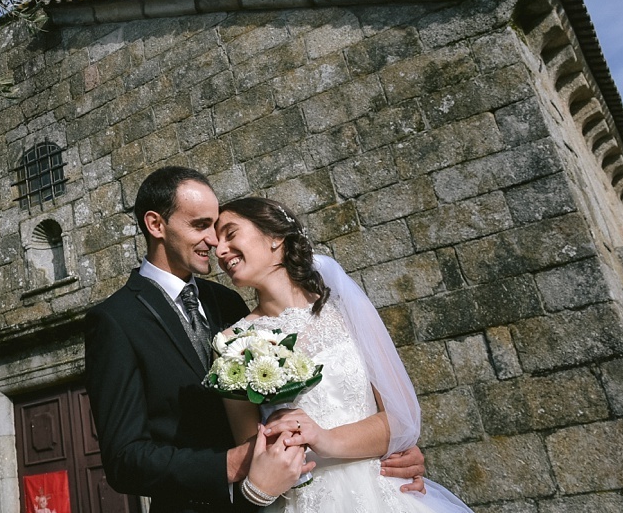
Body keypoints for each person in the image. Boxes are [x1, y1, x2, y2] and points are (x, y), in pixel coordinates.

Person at [83, 167, 425, 513]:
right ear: (156, 225)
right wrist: (233, 463)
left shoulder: (227, 301)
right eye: (201, 225)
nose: (215, 243)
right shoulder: (115, 320)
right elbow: (124, 459)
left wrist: (390, 445)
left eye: (220, 229)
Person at [214, 196, 473, 513]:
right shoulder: (234, 343)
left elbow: (400, 417)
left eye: (230, 234)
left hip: (379, 490)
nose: (220, 251)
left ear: (275, 237)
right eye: (216, 243)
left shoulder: (345, 309)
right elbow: (250, 453)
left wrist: (325, 438)